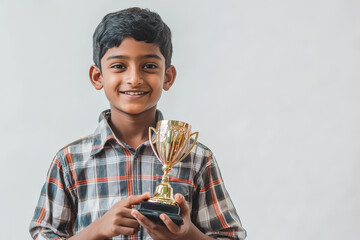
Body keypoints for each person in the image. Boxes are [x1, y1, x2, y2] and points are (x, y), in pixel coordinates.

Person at [29, 7, 247, 240]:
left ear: (168, 77)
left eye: (149, 66)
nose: (134, 78)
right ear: (97, 77)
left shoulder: (196, 159)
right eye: (119, 66)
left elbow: (230, 236)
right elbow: (44, 234)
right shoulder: (70, 162)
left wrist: (186, 234)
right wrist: (97, 229)